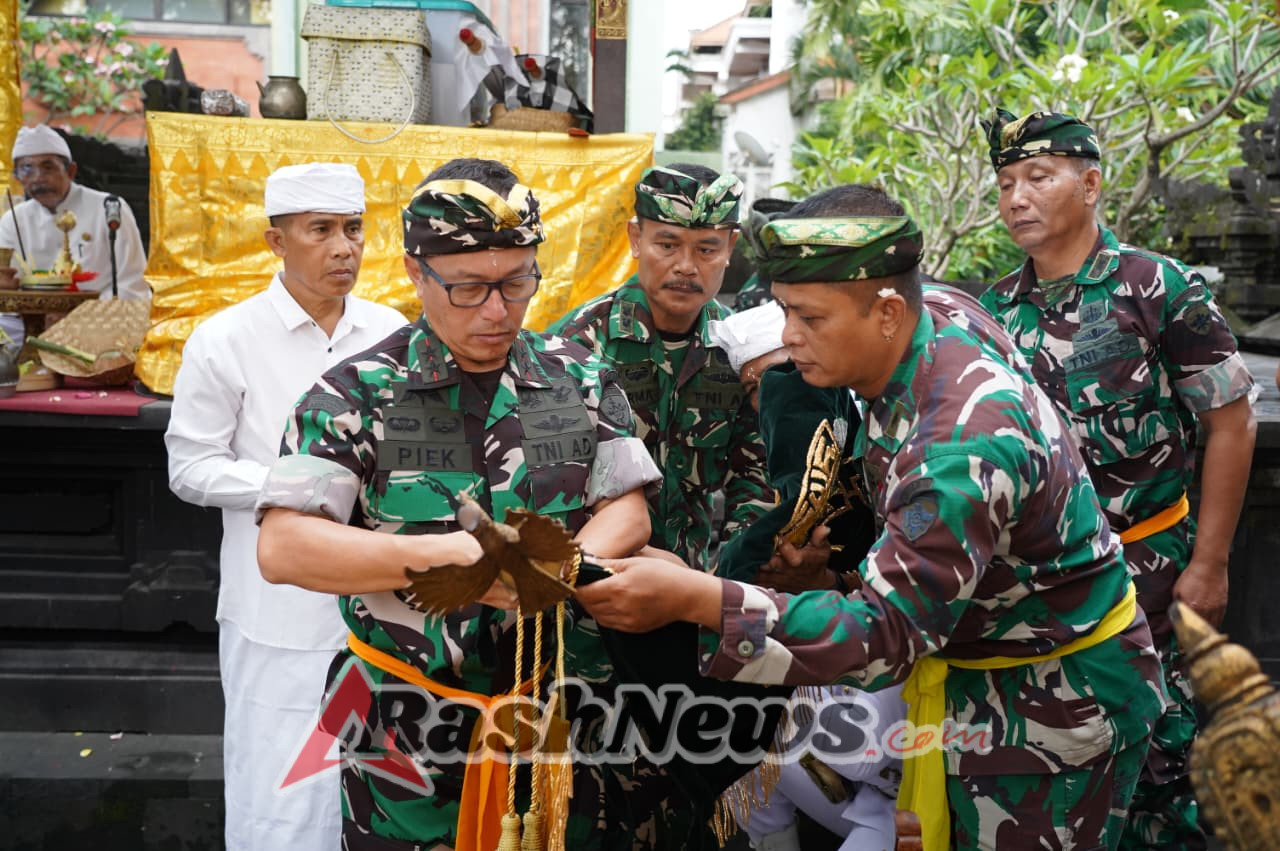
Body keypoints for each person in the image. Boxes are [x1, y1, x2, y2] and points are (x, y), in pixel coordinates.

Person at [575, 184, 1166, 851]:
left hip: (1049, 707)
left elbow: (885, 634)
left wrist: (696, 598)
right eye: (784, 310)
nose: (788, 336)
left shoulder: (959, 449)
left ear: (887, 312)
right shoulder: (935, 313)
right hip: (986, 666)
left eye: (810, 318)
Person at [253, 158, 662, 851]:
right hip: (407, 729)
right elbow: (284, 546)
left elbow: (627, 508)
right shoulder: (359, 392)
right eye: (469, 288)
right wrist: (449, 557)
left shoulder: (578, 376)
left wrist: (554, 569)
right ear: (416, 273)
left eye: (517, 282)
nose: (497, 311)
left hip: (559, 717)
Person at [978, 108, 1258, 850]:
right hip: (1038, 592)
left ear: (1091, 184)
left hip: (1149, 578)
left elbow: (1231, 423)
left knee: (1160, 770)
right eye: (1005, 184)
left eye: (1038, 177)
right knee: (1048, 774)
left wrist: (1210, 564)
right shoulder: (993, 311)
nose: (1016, 198)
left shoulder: (1156, 288)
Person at [164, 162, 408, 851]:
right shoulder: (227, 339)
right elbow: (190, 466)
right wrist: (287, 486)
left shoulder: (391, 331)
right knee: (281, 796)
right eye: (320, 230)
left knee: (382, 788)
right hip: (275, 611)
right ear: (276, 241)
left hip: (380, 608)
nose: (344, 248)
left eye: (354, 229)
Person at [708, 301, 902, 851]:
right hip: (805, 687)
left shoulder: (888, 432)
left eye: (777, 376)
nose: (765, 398)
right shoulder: (762, 456)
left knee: (874, 793)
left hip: (890, 683)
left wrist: (718, 585)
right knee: (739, 750)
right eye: (753, 388)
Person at [549, 163, 772, 568]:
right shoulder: (577, 346)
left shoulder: (738, 349)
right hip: (591, 581)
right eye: (667, 245)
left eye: (706, 249)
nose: (686, 266)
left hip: (697, 586)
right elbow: (551, 487)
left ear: (730, 247)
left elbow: (755, 476)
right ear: (636, 238)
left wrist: (727, 574)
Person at [0, 124, 149, 343]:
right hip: (31, 324)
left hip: (99, 321)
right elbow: (9, 288)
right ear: (17, 177)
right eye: (27, 169)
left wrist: (77, 319)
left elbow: (132, 285)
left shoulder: (109, 208)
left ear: (71, 171)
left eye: (48, 167)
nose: (38, 177)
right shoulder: (13, 220)